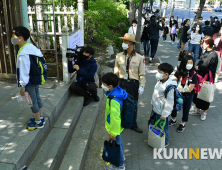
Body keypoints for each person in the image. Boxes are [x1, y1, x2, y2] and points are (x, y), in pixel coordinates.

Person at [11, 26, 45, 129]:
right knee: (37, 97)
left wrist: (23, 85)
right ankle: (40, 116)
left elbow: (24, 70)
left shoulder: (23, 53)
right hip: (36, 78)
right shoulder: (31, 47)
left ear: (20, 38)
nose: (12, 38)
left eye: (13, 36)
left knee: (32, 101)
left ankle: (38, 122)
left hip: (29, 81)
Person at [114, 33, 146, 133]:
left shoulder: (139, 57)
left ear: (131, 43)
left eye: (125, 41)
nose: (123, 43)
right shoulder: (119, 56)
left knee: (133, 104)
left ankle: (133, 124)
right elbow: (116, 71)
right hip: (121, 82)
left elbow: (142, 74)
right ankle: (122, 122)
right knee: (120, 103)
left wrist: (142, 86)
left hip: (133, 84)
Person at [102, 73, 127, 170]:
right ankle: (122, 158)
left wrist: (113, 133)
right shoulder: (117, 91)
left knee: (116, 144)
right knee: (119, 143)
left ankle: (120, 165)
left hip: (115, 127)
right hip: (116, 127)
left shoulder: (114, 100)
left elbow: (115, 118)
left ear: (110, 86)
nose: (102, 86)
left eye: (104, 84)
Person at [192, 36, 218, 120]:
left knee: (205, 94)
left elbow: (212, 70)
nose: (201, 44)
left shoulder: (213, 55)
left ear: (207, 44)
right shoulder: (205, 52)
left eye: (202, 43)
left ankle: (204, 112)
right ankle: (198, 110)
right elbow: (201, 62)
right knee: (197, 94)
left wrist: (199, 68)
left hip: (207, 79)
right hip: (200, 77)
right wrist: (197, 66)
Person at [150, 63, 176, 147]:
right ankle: (158, 139)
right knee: (158, 126)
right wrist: (152, 103)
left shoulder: (169, 86)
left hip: (162, 112)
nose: (157, 73)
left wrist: (164, 114)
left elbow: (170, 102)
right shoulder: (160, 81)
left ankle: (165, 142)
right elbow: (155, 93)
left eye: (159, 72)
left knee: (163, 128)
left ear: (166, 74)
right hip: (156, 109)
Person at [169, 55, 197, 132]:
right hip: (178, 94)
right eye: (188, 63)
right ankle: (173, 119)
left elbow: (190, 88)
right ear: (184, 63)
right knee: (174, 107)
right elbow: (176, 80)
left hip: (188, 95)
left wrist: (178, 88)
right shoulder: (179, 71)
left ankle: (183, 123)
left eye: (191, 63)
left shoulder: (193, 74)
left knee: (186, 109)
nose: (190, 64)